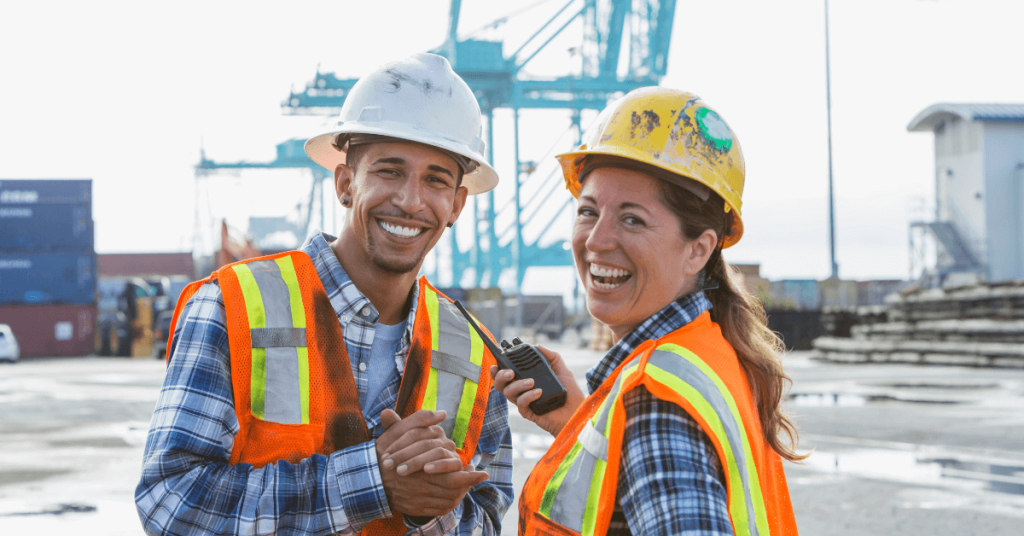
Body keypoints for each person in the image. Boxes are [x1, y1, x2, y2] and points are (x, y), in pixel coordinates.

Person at [137, 53, 514, 536]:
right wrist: (373, 481)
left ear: (457, 204)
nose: (410, 201)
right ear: (345, 183)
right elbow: (170, 504)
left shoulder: (476, 355)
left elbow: (486, 521)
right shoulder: (232, 308)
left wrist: (427, 510)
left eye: (436, 180)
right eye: (389, 171)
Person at [493, 87, 802, 535]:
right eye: (588, 211)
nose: (597, 240)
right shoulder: (707, 356)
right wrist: (581, 424)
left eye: (632, 219)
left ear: (698, 250)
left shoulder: (656, 403)